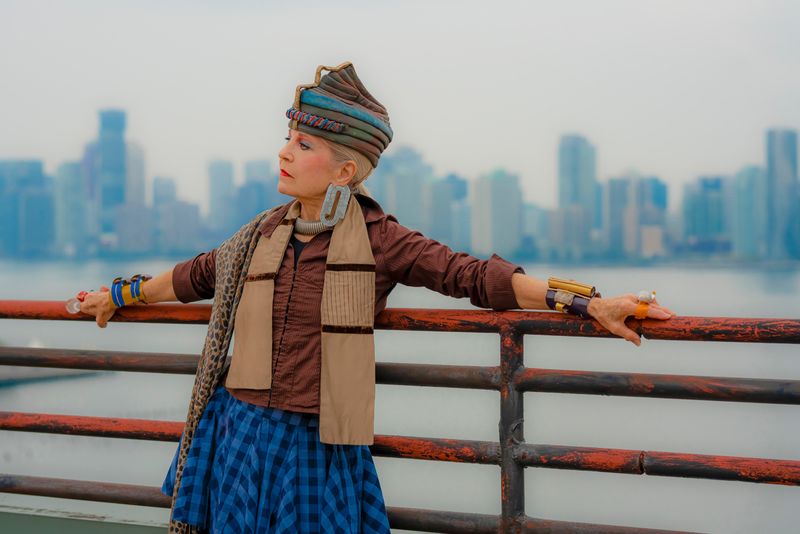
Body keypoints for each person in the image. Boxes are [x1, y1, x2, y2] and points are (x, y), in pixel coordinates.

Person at [76, 62, 674, 533]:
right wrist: (118, 296)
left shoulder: (382, 239)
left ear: (344, 173)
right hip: (238, 427)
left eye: (304, 145)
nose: (285, 152)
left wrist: (584, 301)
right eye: (288, 138)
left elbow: (472, 276)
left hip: (314, 440)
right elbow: (193, 278)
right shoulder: (258, 235)